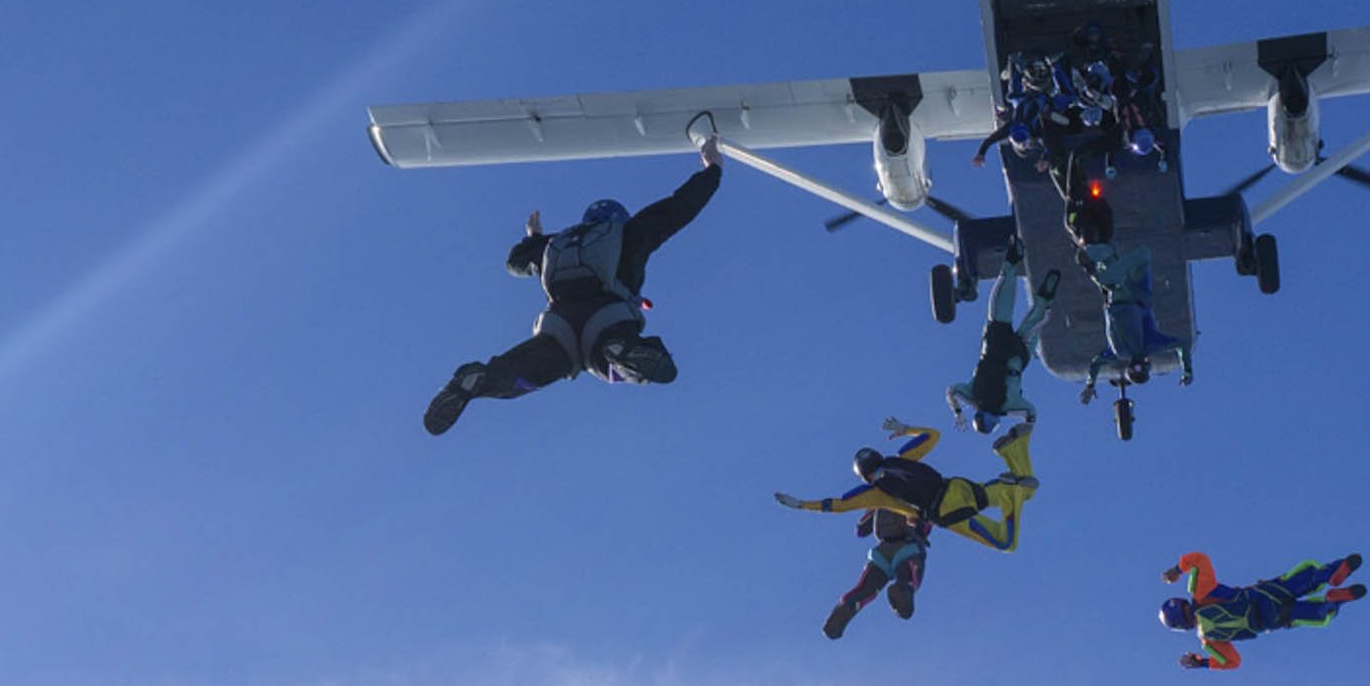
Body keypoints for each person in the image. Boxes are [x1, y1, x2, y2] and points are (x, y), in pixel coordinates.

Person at [423, 136, 722, 434]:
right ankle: (621, 353)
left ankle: (481, 380)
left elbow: (514, 262)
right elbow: (678, 208)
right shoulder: (628, 234)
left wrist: (534, 239)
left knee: (523, 373)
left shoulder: (555, 245)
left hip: (559, 325)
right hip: (607, 317)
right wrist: (712, 169)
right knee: (626, 364)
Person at [776, 418, 1039, 552]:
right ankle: (1013, 448)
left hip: (947, 510)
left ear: (865, 477)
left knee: (1005, 542)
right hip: (958, 487)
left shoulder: (876, 492)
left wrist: (801, 505)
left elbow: (839, 505)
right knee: (1027, 491)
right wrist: (906, 429)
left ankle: (1012, 492)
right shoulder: (902, 458)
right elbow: (932, 435)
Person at [1162, 550, 1366, 669]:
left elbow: (1232, 662)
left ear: (1182, 626)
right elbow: (1199, 559)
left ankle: (1330, 605)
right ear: (1181, 602)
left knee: (1312, 613)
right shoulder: (1200, 592)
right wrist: (1177, 570)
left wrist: (1201, 663)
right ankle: (1329, 574)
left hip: (1269, 620)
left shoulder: (1209, 640)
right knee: (1301, 581)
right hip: (1261, 596)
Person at [948, 239, 1062, 432]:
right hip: (998, 350)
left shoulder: (1004, 407)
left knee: (1031, 321)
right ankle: (1012, 264)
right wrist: (957, 411)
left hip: (1014, 357)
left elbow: (1030, 413)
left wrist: (1021, 429)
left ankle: (1044, 297)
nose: (992, 420)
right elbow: (951, 392)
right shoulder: (974, 398)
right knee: (1002, 310)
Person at [1073, 238, 1192, 400]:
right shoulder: (1147, 346)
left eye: (1135, 370)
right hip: (1128, 293)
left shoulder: (1128, 351)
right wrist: (1187, 370)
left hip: (1125, 295)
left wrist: (1090, 384)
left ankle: (1096, 262)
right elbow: (1181, 345)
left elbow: (1096, 362)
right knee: (1132, 258)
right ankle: (1097, 265)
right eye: (1141, 369)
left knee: (1138, 256)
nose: (1139, 366)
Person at [824, 505, 931, 639]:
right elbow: (926, 524)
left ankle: (847, 606)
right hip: (908, 545)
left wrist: (873, 507)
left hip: (882, 550)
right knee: (909, 576)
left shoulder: (879, 499)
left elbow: (861, 530)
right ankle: (903, 590)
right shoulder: (918, 498)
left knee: (865, 589)